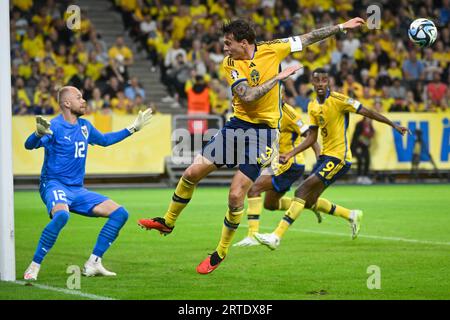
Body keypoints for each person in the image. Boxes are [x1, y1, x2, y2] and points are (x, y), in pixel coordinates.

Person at [138, 18, 366, 274]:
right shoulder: (230, 63)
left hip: (263, 134)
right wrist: (278, 78)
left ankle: (220, 252)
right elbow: (247, 96)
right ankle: (168, 221)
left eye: (228, 43)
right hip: (236, 126)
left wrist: (341, 27)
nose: (224, 49)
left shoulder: (273, 48)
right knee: (191, 173)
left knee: (236, 195)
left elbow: (309, 37)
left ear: (243, 42)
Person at [254, 68, 410, 250]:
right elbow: (311, 137)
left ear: (329, 82)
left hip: (339, 157)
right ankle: (351, 215)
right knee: (309, 201)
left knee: (301, 191)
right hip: (326, 156)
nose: (320, 83)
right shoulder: (312, 106)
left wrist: (393, 124)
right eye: (317, 80)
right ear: (312, 84)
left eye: (324, 80)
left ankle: (276, 237)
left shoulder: (339, 100)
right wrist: (290, 154)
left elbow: (368, 112)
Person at [23, 86, 152, 281]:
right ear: (67, 103)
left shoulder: (85, 126)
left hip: (77, 189)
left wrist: (132, 128)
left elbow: (105, 140)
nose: (84, 101)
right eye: (79, 97)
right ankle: (34, 266)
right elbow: (28, 145)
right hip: (54, 184)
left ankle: (93, 263)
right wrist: (38, 134)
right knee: (61, 217)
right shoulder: (54, 126)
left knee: (120, 213)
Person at [233, 101, 322, 247]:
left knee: (254, 189)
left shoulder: (289, 113)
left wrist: (319, 157)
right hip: (277, 161)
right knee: (270, 204)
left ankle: (252, 235)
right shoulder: (267, 109)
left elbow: (310, 135)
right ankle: (325, 208)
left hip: (290, 163)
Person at [351, 117, 375, 184]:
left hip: (365, 146)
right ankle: (359, 177)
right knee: (360, 160)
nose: (370, 119)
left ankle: (365, 176)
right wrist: (356, 147)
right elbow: (356, 136)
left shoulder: (370, 125)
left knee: (367, 160)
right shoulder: (359, 124)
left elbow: (372, 133)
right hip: (357, 146)